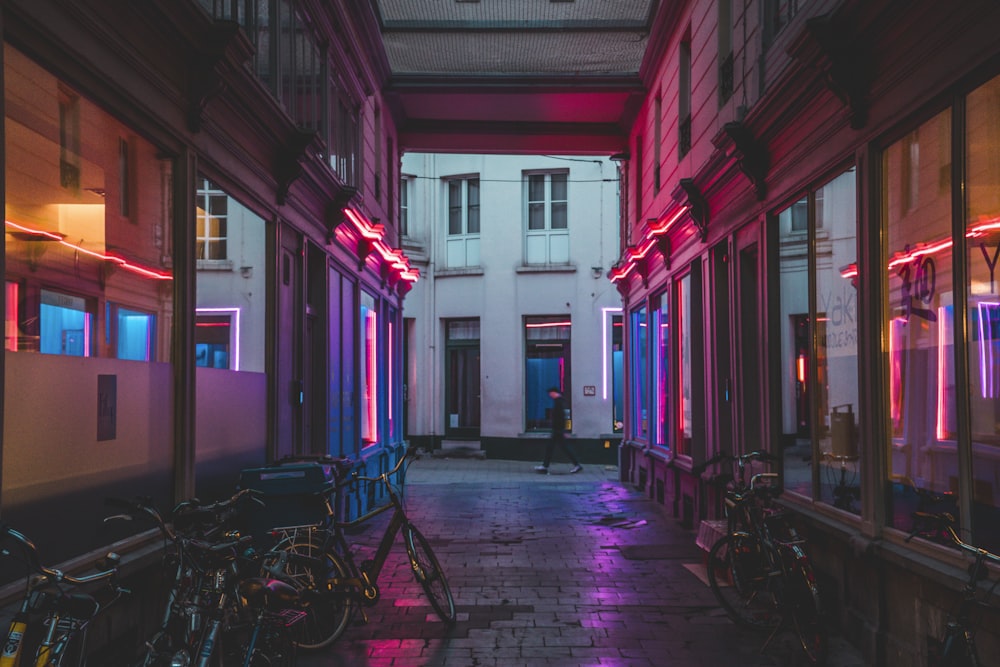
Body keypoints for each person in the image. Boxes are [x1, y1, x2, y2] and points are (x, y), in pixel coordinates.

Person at [535, 387, 583, 474]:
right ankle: (545, 466)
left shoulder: (559, 402)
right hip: (558, 430)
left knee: (558, 448)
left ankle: (545, 466)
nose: (550, 395)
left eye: (550, 393)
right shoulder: (560, 401)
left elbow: (560, 417)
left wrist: (562, 430)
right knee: (556, 448)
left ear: (554, 393)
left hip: (557, 430)